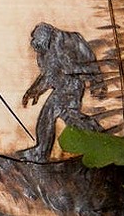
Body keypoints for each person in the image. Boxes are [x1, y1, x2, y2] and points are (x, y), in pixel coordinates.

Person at [21, 22, 106, 162]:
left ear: (45, 36)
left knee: (49, 114)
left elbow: (88, 58)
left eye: (38, 43)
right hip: (63, 86)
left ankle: (41, 153)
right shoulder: (45, 52)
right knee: (70, 116)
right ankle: (101, 138)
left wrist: (97, 80)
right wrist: (33, 91)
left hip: (72, 83)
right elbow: (48, 75)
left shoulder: (69, 40)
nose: (37, 48)